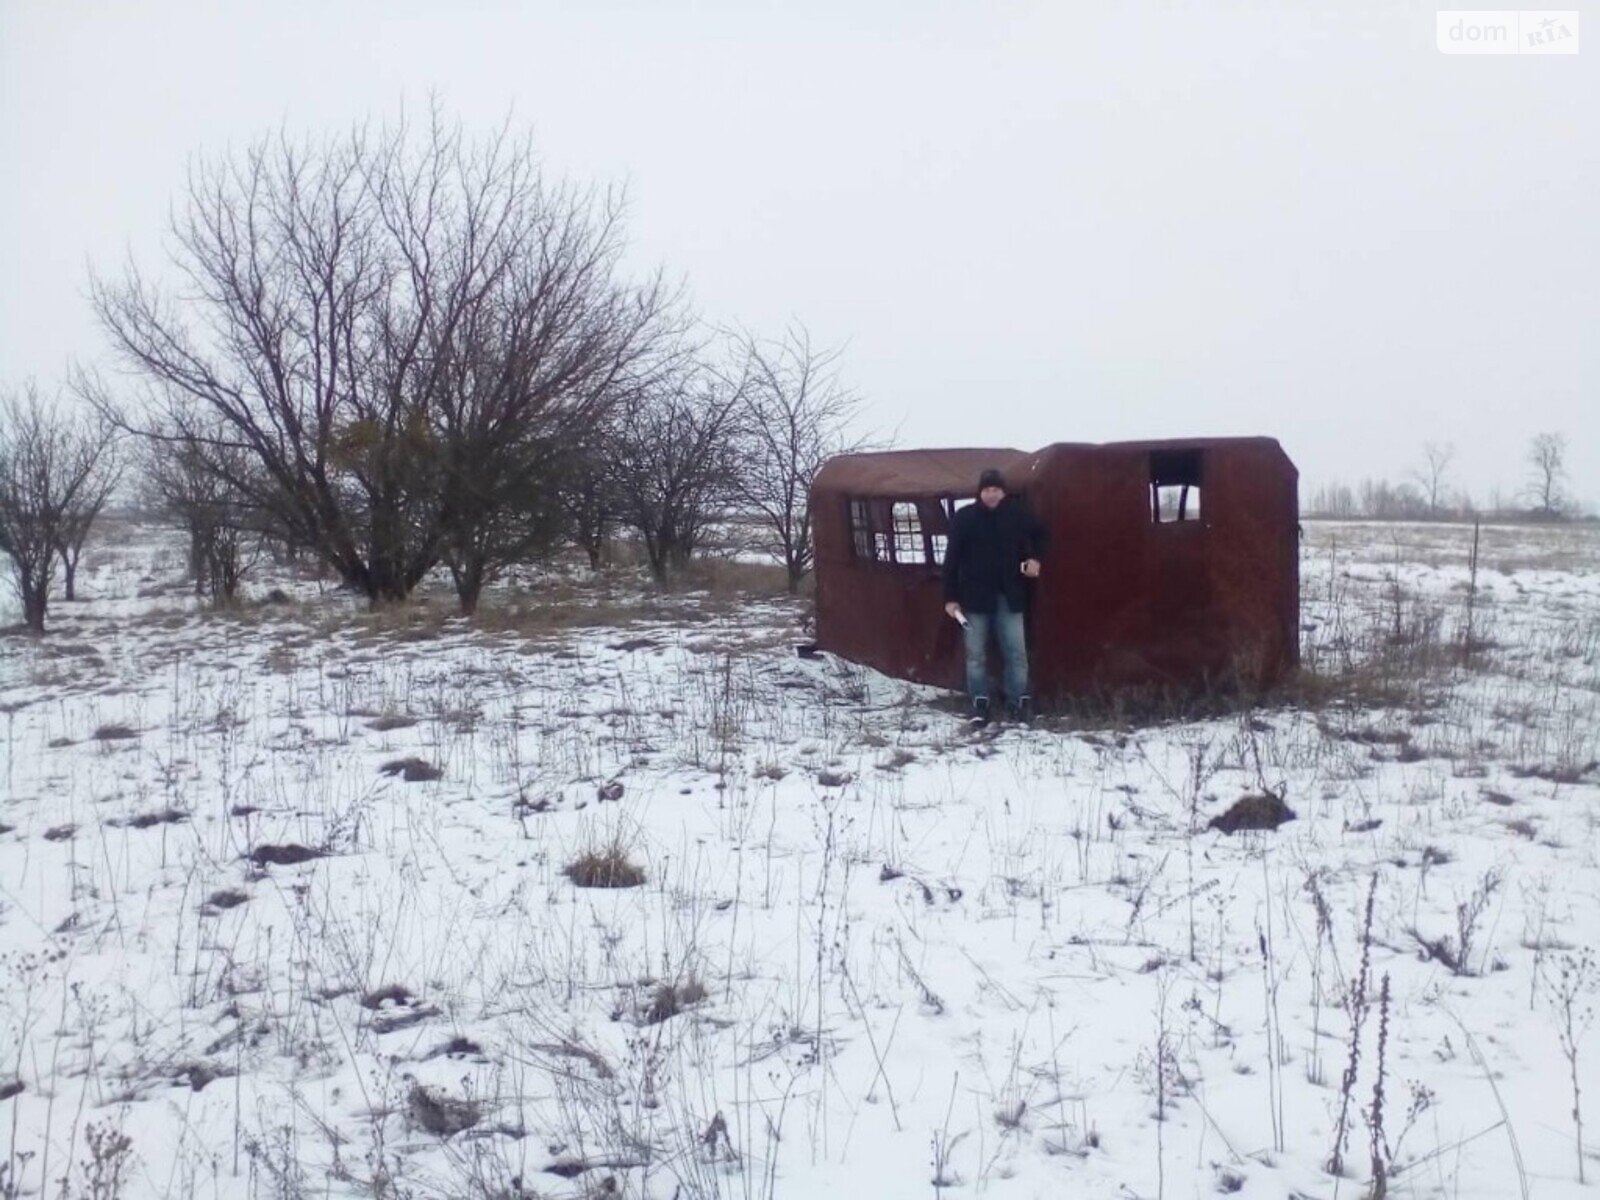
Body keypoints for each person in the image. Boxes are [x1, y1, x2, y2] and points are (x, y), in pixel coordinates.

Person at [941, 467, 1046, 725]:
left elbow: (1042, 533)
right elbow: (951, 560)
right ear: (980, 492)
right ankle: (980, 704)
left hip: (1009, 596)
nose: (991, 494)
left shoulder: (1016, 514)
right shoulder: (964, 518)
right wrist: (950, 598)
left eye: (996, 490)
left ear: (1003, 492)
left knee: (1016, 654)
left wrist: (1035, 559)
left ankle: (1017, 703)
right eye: (987, 490)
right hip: (974, 598)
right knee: (975, 655)